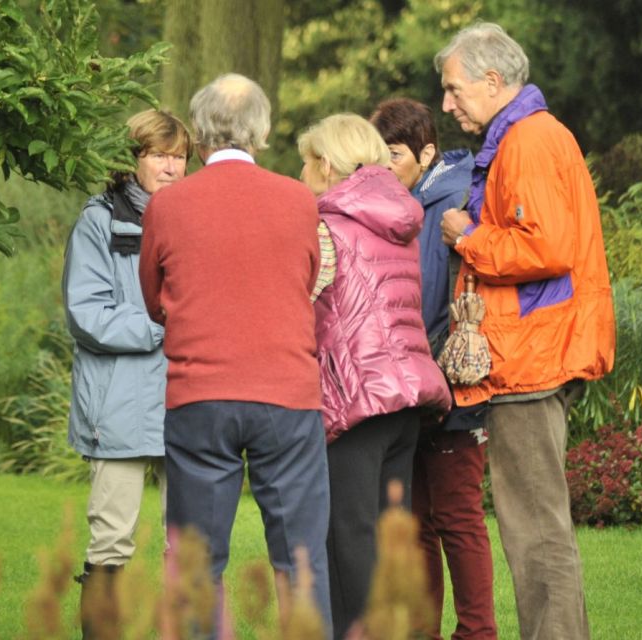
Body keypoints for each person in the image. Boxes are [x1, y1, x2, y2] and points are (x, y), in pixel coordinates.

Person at [434, 22, 616, 640]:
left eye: (454, 89)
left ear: (493, 81)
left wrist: (468, 236)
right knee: (538, 529)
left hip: (533, 359)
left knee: (535, 532)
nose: (446, 103)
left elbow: (547, 246)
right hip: (531, 353)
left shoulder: (529, 141)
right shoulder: (527, 135)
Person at [138, 73, 333, 636]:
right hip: (287, 393)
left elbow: (155, 298)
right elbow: (309, 278)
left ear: (197, 135)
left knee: (196, 562)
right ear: (263, 132)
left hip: (201, 394)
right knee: (300, 559)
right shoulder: (299, 200)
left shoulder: (168, 205)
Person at [297, 113, 452, 640]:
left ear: (326, 164)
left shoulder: (328, 226)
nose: (300, 171)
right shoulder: (398, 220)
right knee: (391, 538)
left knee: (349, 537)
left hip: (356, 397)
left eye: (305, 160)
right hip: (404, 395)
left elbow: (306, 304)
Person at [370, 97, 496, 640]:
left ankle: (476, 632)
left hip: (454, 381)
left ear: (426, 152)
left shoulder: (457, 198)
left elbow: (432, 299)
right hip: (409, 385)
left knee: (458, 517)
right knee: (416, 521)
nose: (383, 167)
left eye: (393, 155)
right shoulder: (401, 201)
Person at [62, 109, 191, 636]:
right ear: (132, 159)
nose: (171, 167)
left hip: (185, 399)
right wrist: (167, 325)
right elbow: (87, 315)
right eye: (159, 154)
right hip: (119, 405)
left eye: (180, 156)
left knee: (188, 540)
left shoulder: (192, 218)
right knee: (112, 539)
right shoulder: (99, 221)